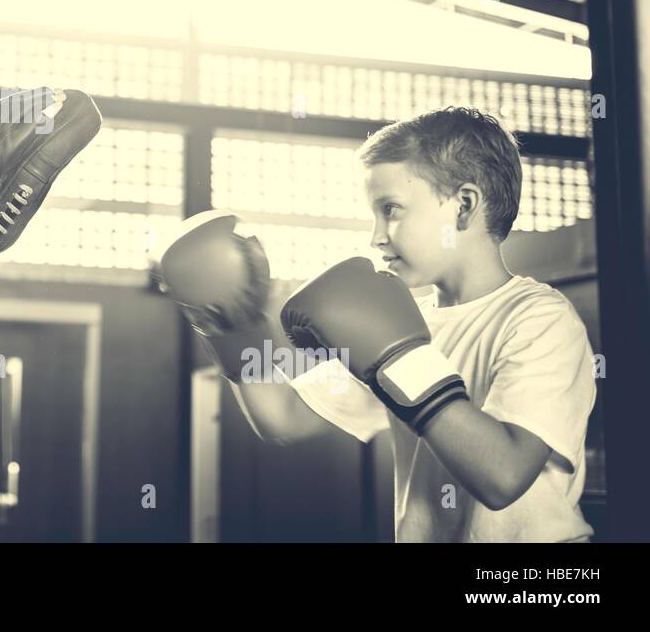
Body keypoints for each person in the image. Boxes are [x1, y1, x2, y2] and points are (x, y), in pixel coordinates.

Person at [161, 107, 596, 542]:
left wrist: (397, 356)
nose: (376, 236)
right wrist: (234, 324)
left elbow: (503, 477)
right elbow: (283, 418)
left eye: (391, 209)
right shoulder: (400, 319)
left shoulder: (538, 319)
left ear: (463, 206)